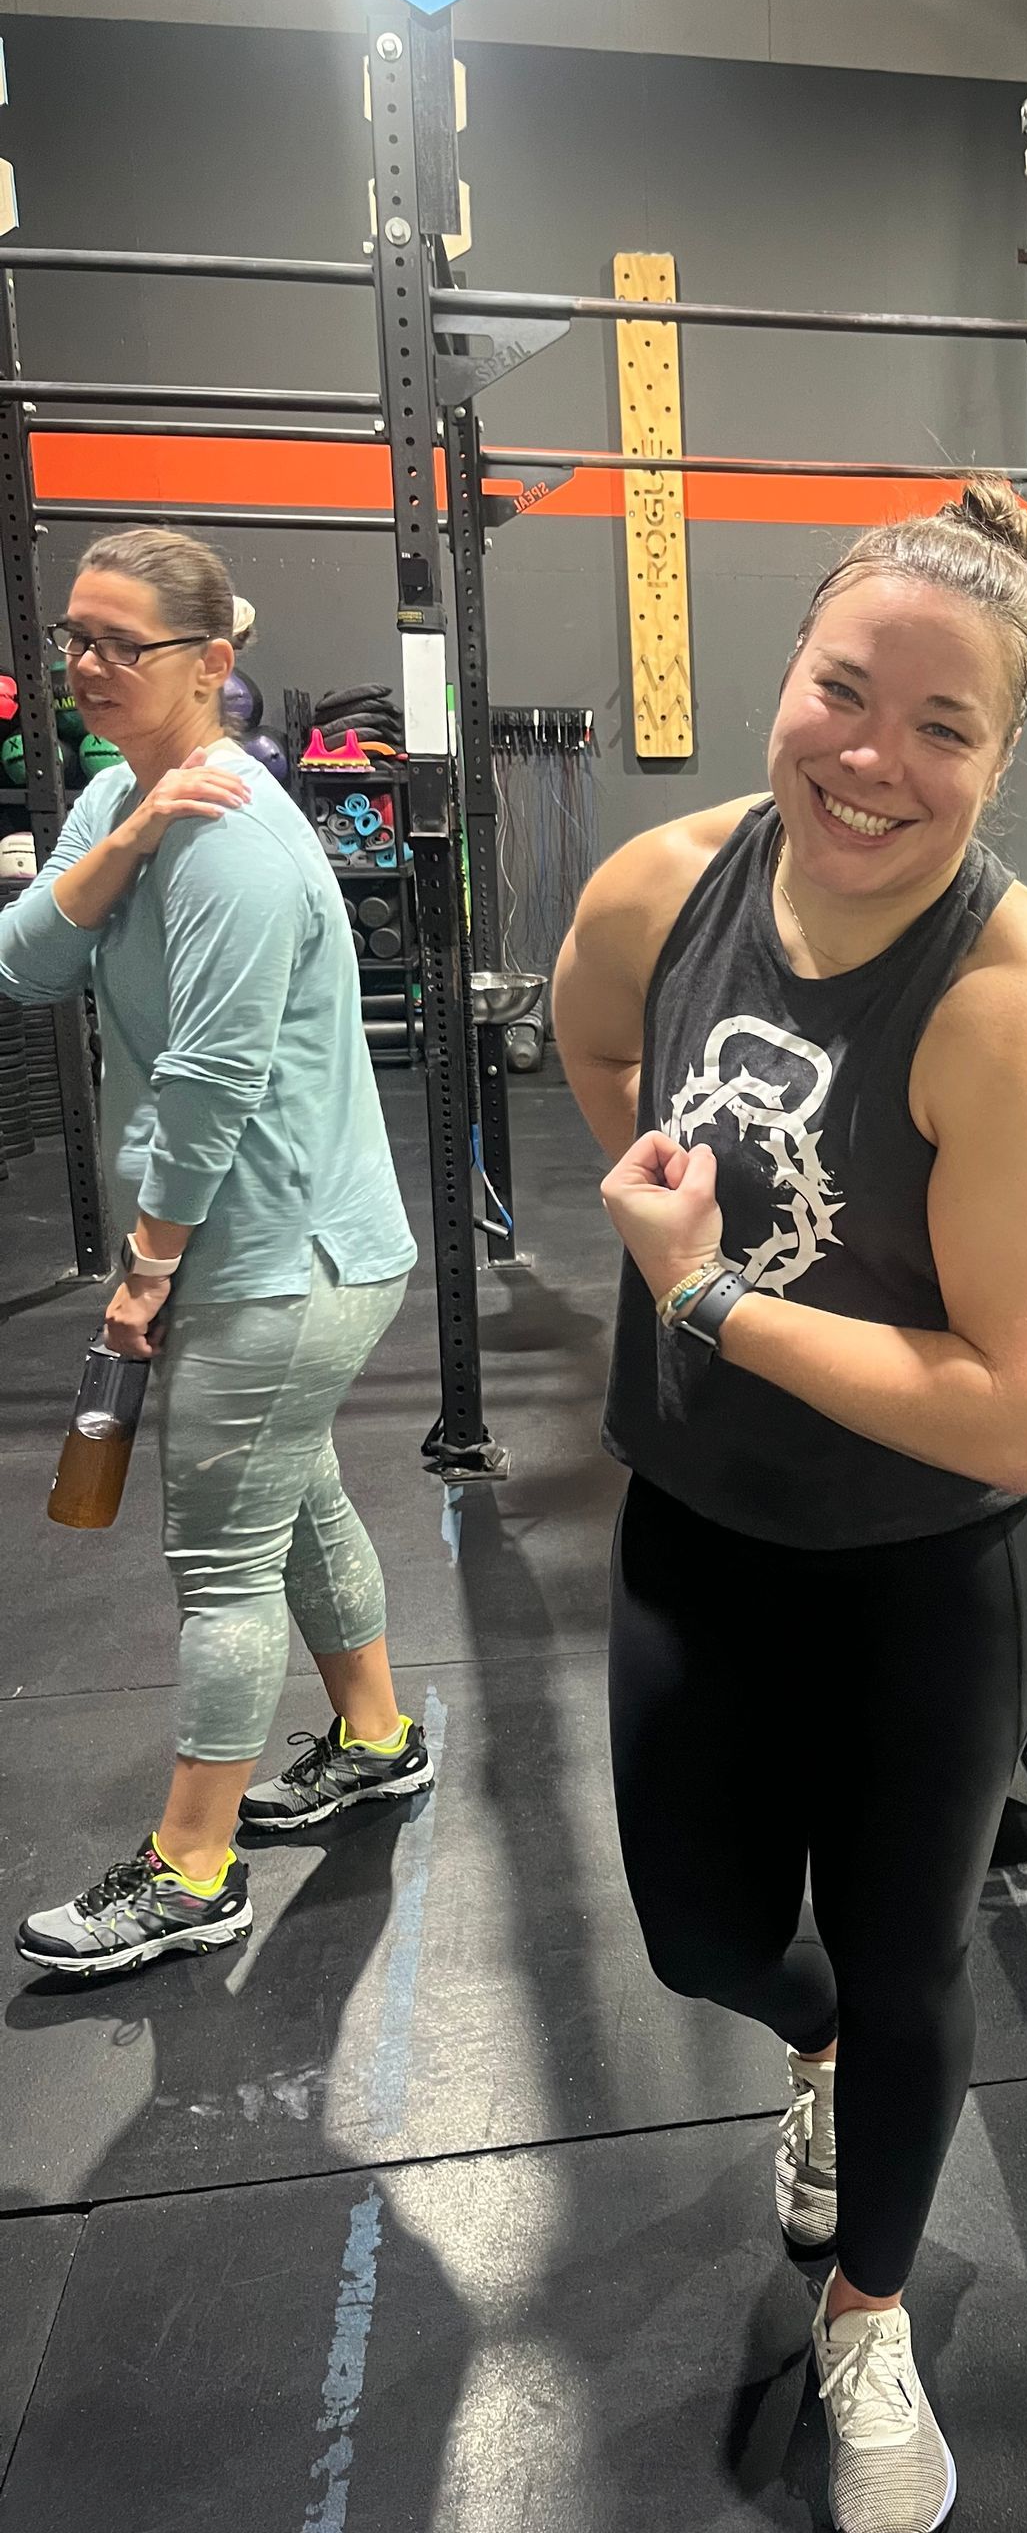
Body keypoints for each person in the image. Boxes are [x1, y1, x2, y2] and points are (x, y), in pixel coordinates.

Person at [553, 477, 1027, 2533]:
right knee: (707, 1934)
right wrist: (679, 1219)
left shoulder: (1005, 996)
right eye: (843, 689)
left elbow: (1018, 1404)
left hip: (922, 1570)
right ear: (783, 676)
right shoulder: (663, 885)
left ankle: (868, 2304)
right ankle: (802, 2056)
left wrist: (705, 1288)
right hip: (700, 1515)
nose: (872, 754)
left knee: (905, 1961)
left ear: (999, 757)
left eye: (941, 726)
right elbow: (592, 1034)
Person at [2, 528, 426, 1983]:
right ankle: (376, 1738)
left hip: (282, 1256)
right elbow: (23, 961)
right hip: (246, 1246)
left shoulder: (238, 839)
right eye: (77, 639)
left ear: (213, 662)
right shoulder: (123, 796)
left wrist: (142, 1271)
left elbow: (210, 1079)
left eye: (128, 644)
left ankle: (193, 1868)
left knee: (220, 1560)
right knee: (286, 1494)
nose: (92, 667)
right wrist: (118, 838)